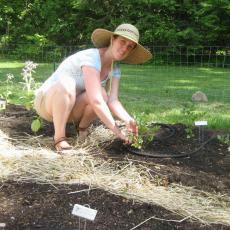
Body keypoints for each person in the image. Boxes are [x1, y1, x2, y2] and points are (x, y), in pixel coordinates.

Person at [34, 23, 152, 152]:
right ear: (113, 39)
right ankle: (59, 138)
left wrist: (128, 120)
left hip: (70, 109)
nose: (125, 48)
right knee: (68, 84)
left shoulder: (115, 68)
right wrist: (116, 131)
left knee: (102, 94)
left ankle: (82, 129)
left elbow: (113, 100)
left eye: (130, 46)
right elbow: (96, 101)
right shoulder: (91, 57)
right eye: (122, 42)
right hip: (46, 104)